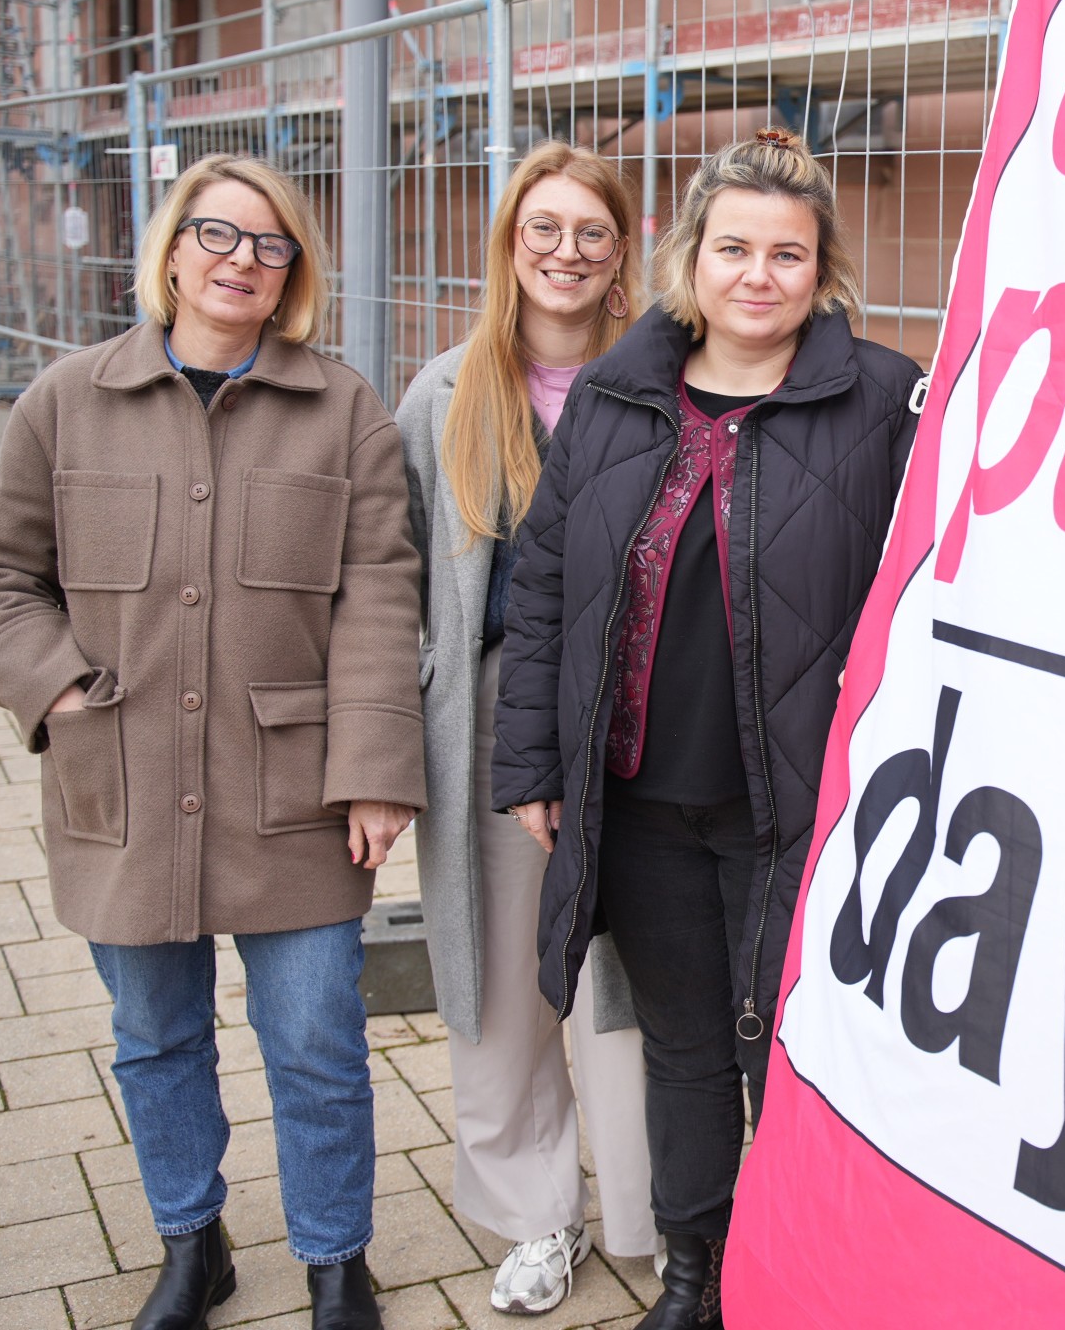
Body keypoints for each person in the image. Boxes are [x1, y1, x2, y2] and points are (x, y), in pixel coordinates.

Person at [0, 153, 426, 1330]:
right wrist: (58, 691)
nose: (240, 263)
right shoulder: (63, 403)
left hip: (297, 794)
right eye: (218, 236)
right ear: (170, 251)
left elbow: (377, 595)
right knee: (155, 1036)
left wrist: (374, 772)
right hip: (121, 782)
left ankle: (334, 1259)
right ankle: (191, 1244)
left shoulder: (344, 408)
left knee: (315, 1041)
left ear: (292, 277)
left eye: (269, 248)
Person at [492, 127, 922, 1330]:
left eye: (787, 254)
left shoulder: (881, 400)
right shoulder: (618, 397)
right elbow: (543, 590)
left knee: (786, 1059)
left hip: (791, 806)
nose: (757, 276)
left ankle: (797, 1281)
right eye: (733, 247)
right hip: (636, 804)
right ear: (691, 257)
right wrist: (532, 764)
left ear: (821, 268)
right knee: (681, 1049)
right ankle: (695, 1278)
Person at [395, 141, 656, 1316]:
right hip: (495, 719)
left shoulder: (667, 382)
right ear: (509, 246)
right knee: (505, 989)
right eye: (541, 228)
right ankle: (533, 1220)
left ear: (620, 258)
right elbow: (395, 583)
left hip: (635, 720)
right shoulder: (445, 394)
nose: (565, 251)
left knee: (626, 984)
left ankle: (650, 1218)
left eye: (590, 233)